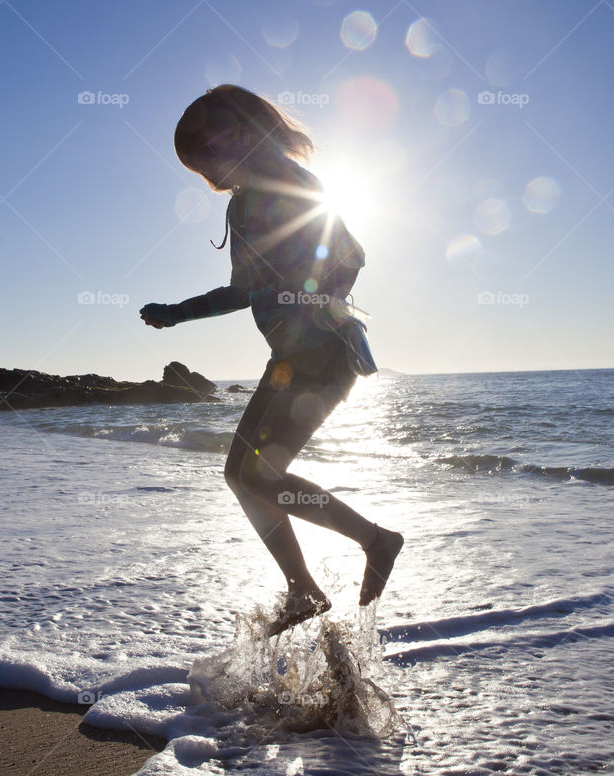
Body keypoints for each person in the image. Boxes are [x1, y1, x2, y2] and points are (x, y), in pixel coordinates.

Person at [140, 85, 403, 637]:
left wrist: (314, 292)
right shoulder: (243, 203)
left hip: (325, 352)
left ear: (236, 134)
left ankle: (377, 540)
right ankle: (303, 589)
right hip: (289, 357)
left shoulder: (288, 180)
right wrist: (177, 313)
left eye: (205, 158)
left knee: (258, 473)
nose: (206, 176)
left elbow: (351, 254)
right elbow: (242, 290)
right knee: (241, 475)